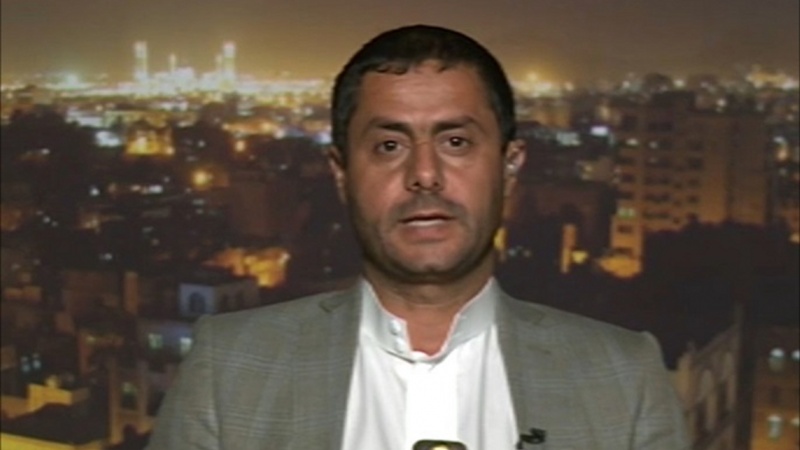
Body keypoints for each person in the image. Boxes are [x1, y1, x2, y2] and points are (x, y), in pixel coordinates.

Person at [147, 24, 690, 450]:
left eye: (456, 142)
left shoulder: (623, 378)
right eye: (389, 146)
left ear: (509, 166)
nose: (425, 174)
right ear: (341, 173)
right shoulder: (230, 368)